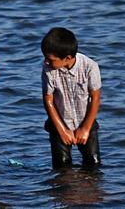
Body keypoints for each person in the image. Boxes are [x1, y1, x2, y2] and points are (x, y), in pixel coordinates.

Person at [41, 27, 102, 168]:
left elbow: (95, 98)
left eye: (50, 59)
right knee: (61, 166)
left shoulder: (90, 67)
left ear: (67, 58)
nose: (46, 62)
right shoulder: (48, 69)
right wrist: (62, 131)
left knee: (93, 164)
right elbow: (48, 99)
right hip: (60, 122)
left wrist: (85, 128)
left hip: (85, 120)